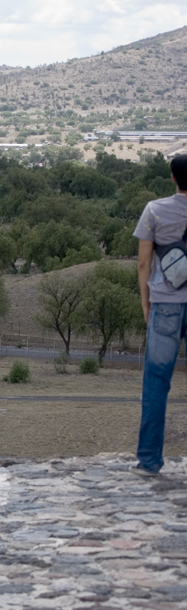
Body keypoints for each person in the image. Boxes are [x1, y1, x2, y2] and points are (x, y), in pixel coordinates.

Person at [133, 153, 187, 476]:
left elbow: (143, 263)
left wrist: (146, 302)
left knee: (156, 384)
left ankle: (149, 461)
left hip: (165, 304)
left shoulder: (154, 210)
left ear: (172, 178)